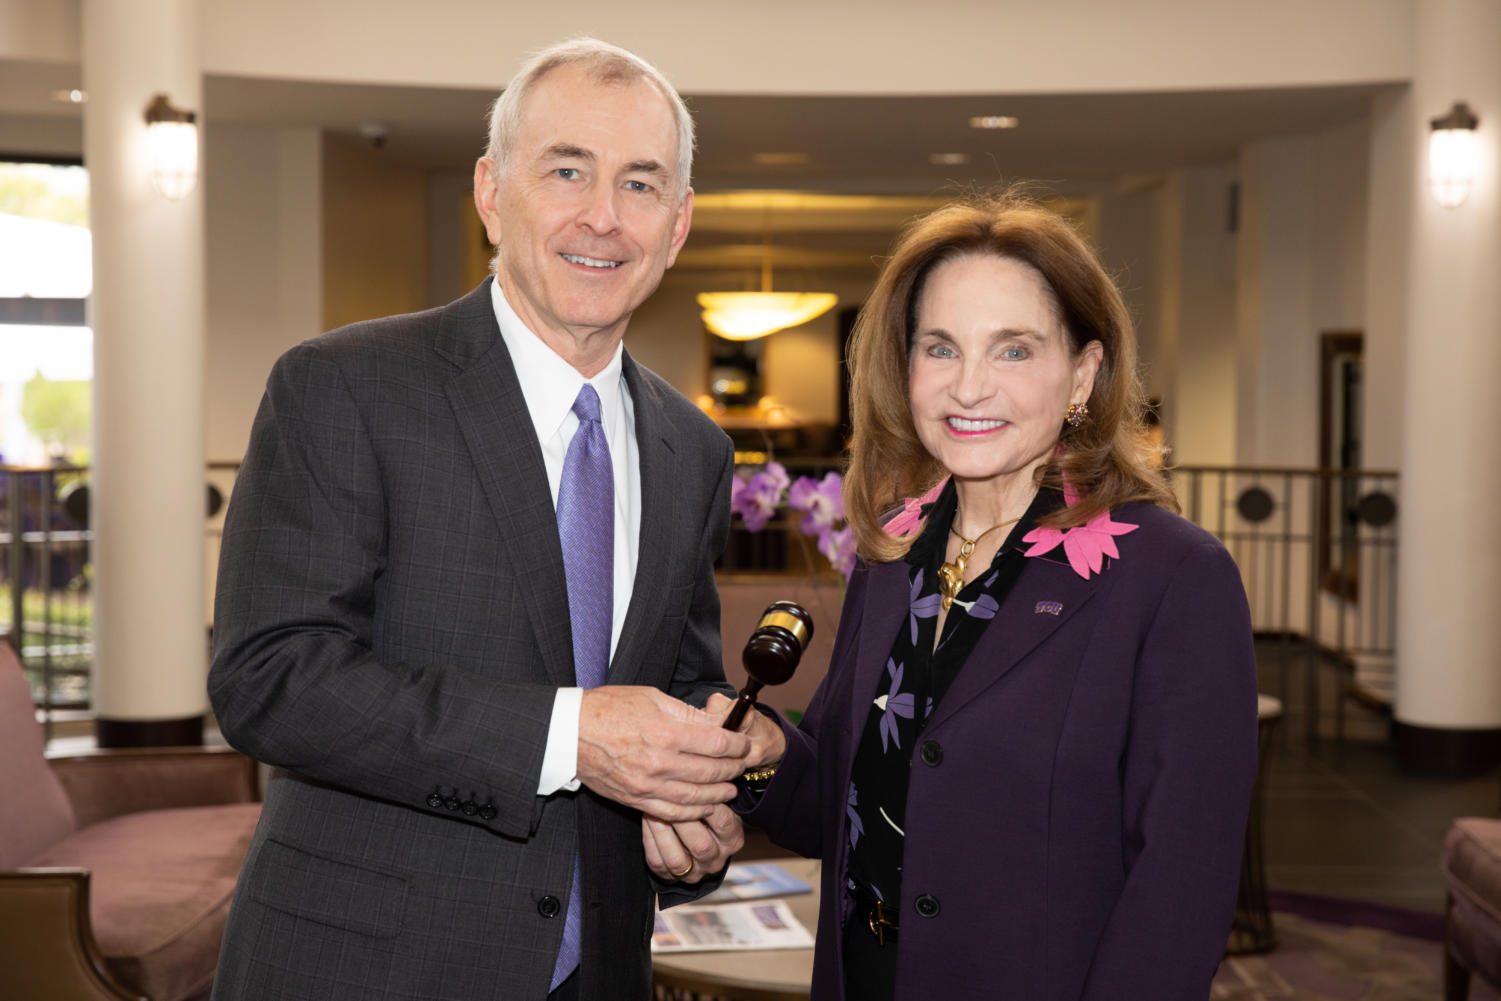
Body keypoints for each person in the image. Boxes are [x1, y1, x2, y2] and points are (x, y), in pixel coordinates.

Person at [209, 38, 751, 1001]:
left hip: (606, 968)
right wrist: (568, 735)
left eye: (641, 183)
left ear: (677, 225)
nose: (602, 216)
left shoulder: (693, 447)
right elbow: (271, 678)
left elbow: (679, 683)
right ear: (492, 192)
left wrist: (696, 808)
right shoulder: (343, 386)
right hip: (369, 967)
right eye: (567, 170)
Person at [719, 192, 1258, 1000]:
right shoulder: (890, 553)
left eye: (1012, 350)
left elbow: (1178, 890)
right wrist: (763, 756)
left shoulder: (1172, 578)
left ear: (1083, 371)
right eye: (940, 348)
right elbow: (842, 799)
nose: (968, 387)